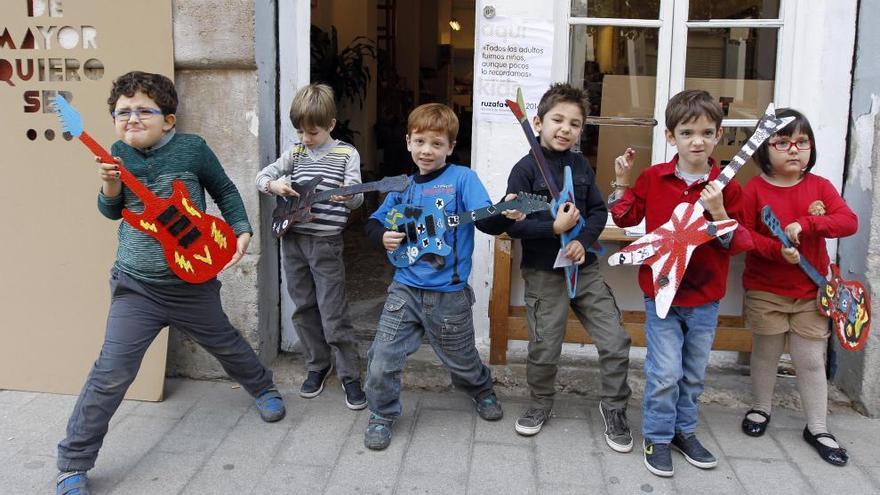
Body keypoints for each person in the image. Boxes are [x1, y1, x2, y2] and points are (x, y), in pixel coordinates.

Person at [55, 71, 285, 495]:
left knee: (225, 342)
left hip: (192, 282)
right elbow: (111, 211)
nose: (132, 118)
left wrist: (240, 228)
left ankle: (262, 387)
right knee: (111, 372)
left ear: (169, 120)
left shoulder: (192, 149)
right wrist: (109, 184)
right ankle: (73, 461)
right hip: (136, 287)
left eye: (144, 110)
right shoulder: (117, 154)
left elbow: (226, 191)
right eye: (123, 112)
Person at [361, 103, 521, 450]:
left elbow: (485, 221)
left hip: (448, 295)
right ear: (407, 142)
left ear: (450, 147)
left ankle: (482, 389)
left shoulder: (463, 179)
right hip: (404, 288)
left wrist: (505, 215)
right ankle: (382, 413)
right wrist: (380, 235)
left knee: (462, 361)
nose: (426, 150)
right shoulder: (402, 186)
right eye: (419, 141)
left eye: (436, 143)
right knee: (382, 358)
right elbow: (374, 221)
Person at [610, 89, 753, 477]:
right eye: (687, 132)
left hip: (705, 297)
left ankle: (683, 432)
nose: (697, 141)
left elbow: (739, 243)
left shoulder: (729, 187)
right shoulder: (654, 178)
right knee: (665, 373)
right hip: (662, 295)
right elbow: (624, 218)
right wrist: (622, 182)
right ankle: (656, 435)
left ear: (718, 136)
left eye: (707, 133)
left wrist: (719, 210)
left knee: (693, 373)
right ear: (671, 136)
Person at [502, 83, 634, 453]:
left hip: (584, 269)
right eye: (557, 120)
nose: (565, 129)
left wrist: (580, 239)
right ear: (539, 121)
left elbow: (597, 211)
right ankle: (540, 402)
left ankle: (615, 407)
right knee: (544, 347)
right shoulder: (525, 170)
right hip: (545, 273)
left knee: (615, 340)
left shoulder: (580, 166)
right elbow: (513, 223)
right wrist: (552, 228)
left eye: (574, 124)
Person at [739, 108, 857, 466]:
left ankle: (818, 426)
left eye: (802, 142)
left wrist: (807, 224)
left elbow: (848, 221)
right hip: (766, 290)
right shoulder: (755, 188)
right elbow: (741, 235)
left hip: (812, 291)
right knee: (766, 354)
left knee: (809, 360)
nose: (794, 149)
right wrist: (776, 250)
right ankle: (761, 408)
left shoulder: (819, 186)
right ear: (764, 149)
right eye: (783, 142)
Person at [255, 84, 366, 409]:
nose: (305, 138)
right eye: (301, 131)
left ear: (331, 125)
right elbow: (263, 176)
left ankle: (349, 374)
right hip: (294, 241)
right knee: (303, 306)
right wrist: (274, 184)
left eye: (312, 132)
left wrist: (351, 195)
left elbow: (357, 197)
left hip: (326, 244)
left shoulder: (347, 154)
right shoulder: (296, 153)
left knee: (333, 311)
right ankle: (317, 364)